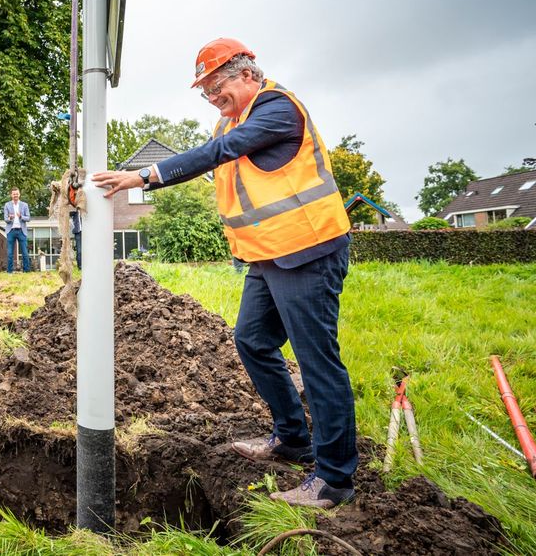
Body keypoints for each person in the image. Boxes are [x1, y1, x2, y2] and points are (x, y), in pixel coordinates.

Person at [92, 38, 356, 509]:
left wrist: (143, 176)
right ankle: (293, 438)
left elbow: (220, 153)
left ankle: (334, 479)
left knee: (318, 363)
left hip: (307, 251)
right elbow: (214, 157)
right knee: (252, 341)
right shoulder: (230, 119)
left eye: (217, 86)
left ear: (247, 74)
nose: (213, 98)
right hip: (269, 256)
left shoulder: (277, 109)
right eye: (206, 92)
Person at [3, 188, 31, 273]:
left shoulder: (24, 205)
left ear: (19, 194)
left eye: (17, 194)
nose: (15, 195)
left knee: (25, 253)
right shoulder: (7, 205)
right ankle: (9, 271)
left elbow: (28, 218)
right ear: (11, 195)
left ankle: (26, 271)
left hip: (21, 231)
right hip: (10, 231)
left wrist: (21, 216)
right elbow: (5, 219)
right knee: (10, 253)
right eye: (14, 194)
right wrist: (10, 218)